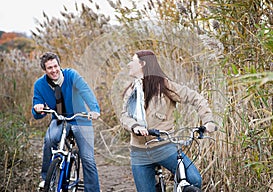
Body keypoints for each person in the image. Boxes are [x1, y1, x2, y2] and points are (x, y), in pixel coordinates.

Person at [120, 50, 218, 192]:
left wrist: (207, 121)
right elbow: (124, 116)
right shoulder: (131, 91)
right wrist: (134, 126)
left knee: (194, 179)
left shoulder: (164, 86)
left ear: (142, 64)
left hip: (163, 146)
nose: (129, 64)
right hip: (139, 151)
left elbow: (195, 98)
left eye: (132, 61)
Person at [32, 52, 101, 192]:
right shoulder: (39, 85)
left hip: (80, 119)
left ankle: (92, 190)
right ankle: (47, 179)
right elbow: (36, 111)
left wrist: (94, 109)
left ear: (59, 65)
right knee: (49, 140)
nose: (54, 70)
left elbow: (86, 91)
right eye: (49, 68)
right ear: (45, 70)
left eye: (55, 66)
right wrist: (38, 109)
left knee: (88, 159)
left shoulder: (71, 76)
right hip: (59, 119)